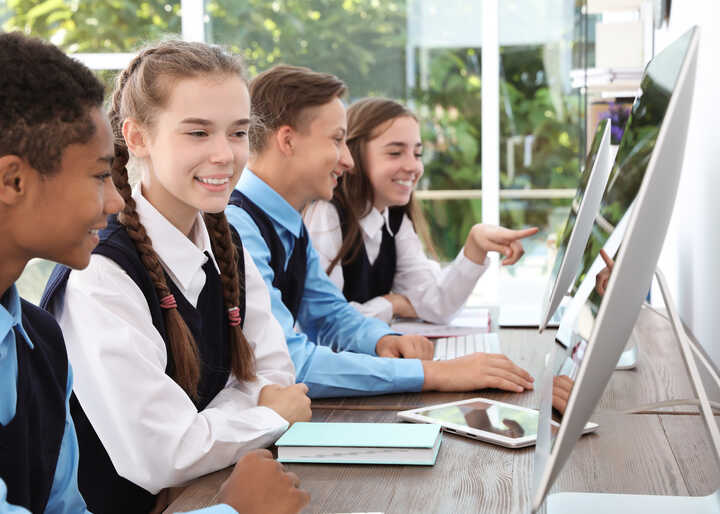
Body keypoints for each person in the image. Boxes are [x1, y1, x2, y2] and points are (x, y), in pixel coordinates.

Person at [40, 41, 310, 513]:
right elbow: (163, 455)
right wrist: (266, 412)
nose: (225, 155)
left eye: (239, 132)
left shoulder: (227, 246)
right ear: (138, 137)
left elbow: (276, 374)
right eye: (198, 133)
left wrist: (217, 423)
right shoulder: (100, 272)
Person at [226, 64, 535, 399]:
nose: (348, 160)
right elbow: (288, 363)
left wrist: (381, 340)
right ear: (287, 140)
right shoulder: (238, 226)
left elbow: (330, 316)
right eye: (337, 141)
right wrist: (432, 373)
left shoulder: (288, 223)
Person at [304, 97, 538, 324]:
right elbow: (323, 322)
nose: (413, 166)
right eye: (395, 153)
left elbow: (437, 305)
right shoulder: (327, 214)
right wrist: (391, 305)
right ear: (352, 156)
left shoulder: (393, 219)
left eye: (417, 154)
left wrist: (475, 246)